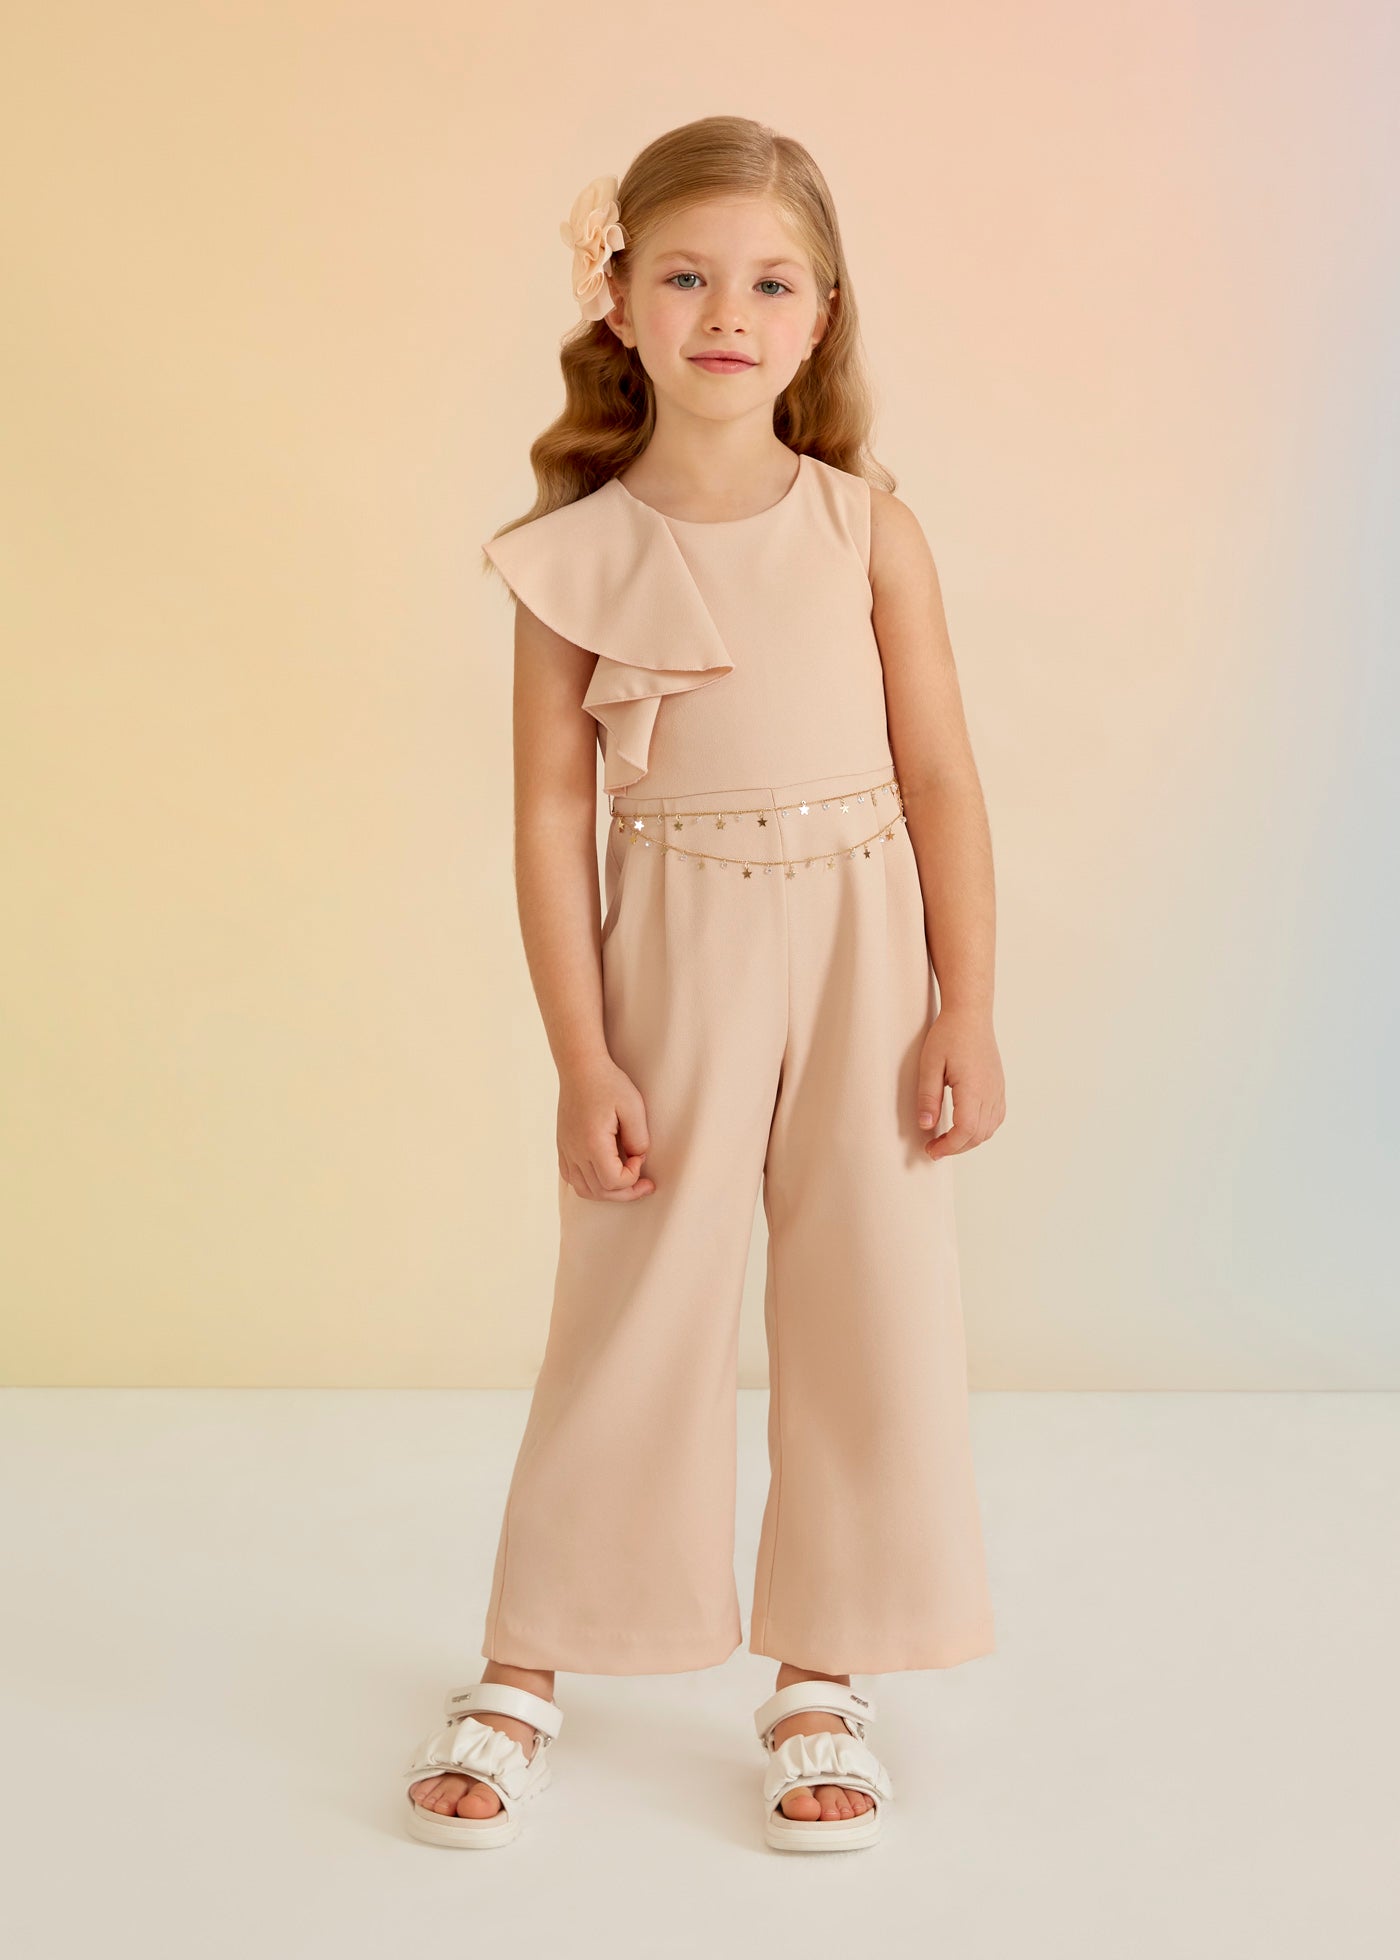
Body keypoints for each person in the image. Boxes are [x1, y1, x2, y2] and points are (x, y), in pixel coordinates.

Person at [402, 113, 1004, 1853]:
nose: (727, 312)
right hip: (674, 933)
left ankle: (825, 1670)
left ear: (822, 317)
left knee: (871, 1301)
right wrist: (583, 1053)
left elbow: (944, 774)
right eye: (684, 275)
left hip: (867, 939)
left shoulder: (870, 530)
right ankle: (530, 1657)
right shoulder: (572, 554)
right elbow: (548, 811)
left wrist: (965, 1001)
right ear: (619, 299)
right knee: (636, 1297)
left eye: (770, 283)